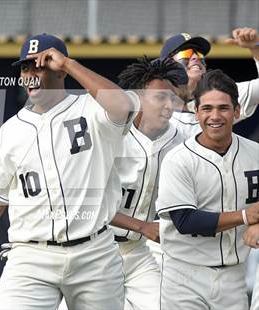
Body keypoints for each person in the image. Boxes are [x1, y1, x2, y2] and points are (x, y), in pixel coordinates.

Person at [0, 33, 139, 309]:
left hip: (94, 254)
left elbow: (125, 107)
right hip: (31, 256)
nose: (30, 74)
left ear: (59, 69)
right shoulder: (9, 132)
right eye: (25, 67)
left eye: (40, 64)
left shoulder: (92, 110)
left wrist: (68, 64)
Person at [156, 69, 259, 309]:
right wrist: (246, 217)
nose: (215, 116)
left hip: (234, 276)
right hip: (184, 277)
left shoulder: (255, 153)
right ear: (195, 112)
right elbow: (185, 220)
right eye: (207, 108)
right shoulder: (178, 159)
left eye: (223, 108)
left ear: (237, 111)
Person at [106, 57, 187, 310]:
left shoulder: (181, 136)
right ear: (138, 97)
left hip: (139, 252)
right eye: (160, 97)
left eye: (172, 99)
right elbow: (87, 203)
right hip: (97, 248)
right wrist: (141, 226)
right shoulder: (109, 134)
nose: (168, 106)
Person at [160, 28, 259, 137]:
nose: (195, 58)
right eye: (186, 53)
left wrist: (256, 48)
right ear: (167, 66)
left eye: (199, 54)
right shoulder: (154, 107)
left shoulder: (222, 93)